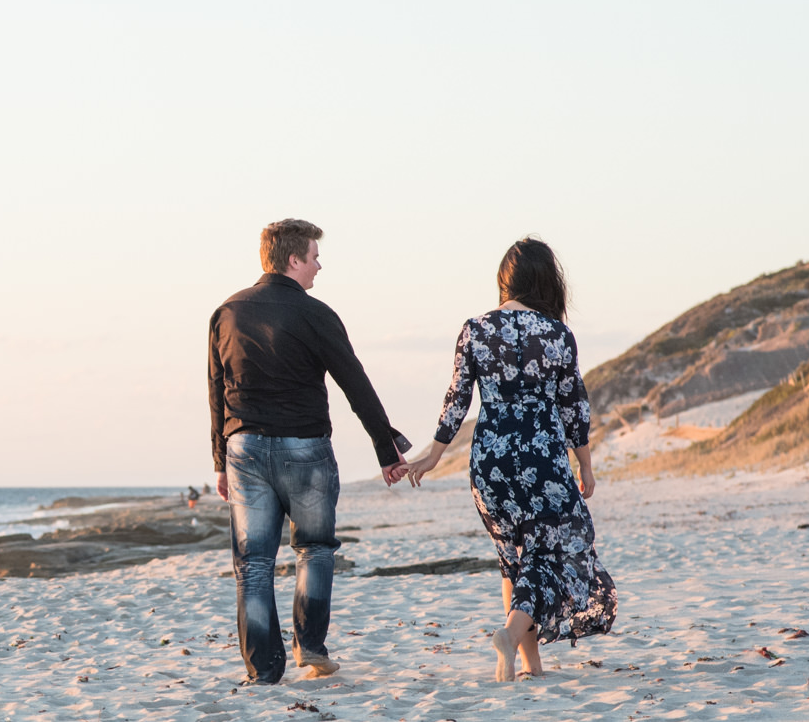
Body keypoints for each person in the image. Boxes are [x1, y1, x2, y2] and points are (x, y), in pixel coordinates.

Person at [400, 238, 617, 681]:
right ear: (546, 282)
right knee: (551, 553)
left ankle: (528, 665)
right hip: (542, 460)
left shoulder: (476, 329)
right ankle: (510, 634)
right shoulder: (557, 335)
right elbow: (574, 406)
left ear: (505, 281)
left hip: (491, 462)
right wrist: (586, 464)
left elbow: (457, 400)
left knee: (512, 559)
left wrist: (434, 455)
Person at [209, 220, 412, 685]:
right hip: (305, 448)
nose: (319, 265)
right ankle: (311, 647)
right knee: (315, 550)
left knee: (254, 562)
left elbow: (216, 392)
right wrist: (386, 449)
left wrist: (221, 460)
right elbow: (354, 381)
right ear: (293, 259)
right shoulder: (315, 313)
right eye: (314, 256)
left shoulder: (227, 312)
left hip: (245, 450)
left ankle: (263, 669)